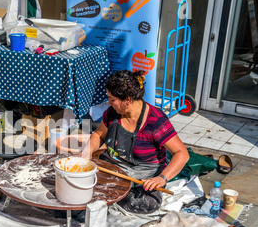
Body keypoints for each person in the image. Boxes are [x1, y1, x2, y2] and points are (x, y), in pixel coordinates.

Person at [81, 70, 189, 214]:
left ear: (128, 100)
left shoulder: (155, 120)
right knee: (81, 187)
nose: (109, 102)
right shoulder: (112, 113)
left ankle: (111, 194)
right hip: (113, 167)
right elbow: (99, 134)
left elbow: (182, 153)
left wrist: (162, 178)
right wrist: (86, 152)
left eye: (112, 99)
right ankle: (111, 194)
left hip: (142, 174)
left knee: (149, 204)